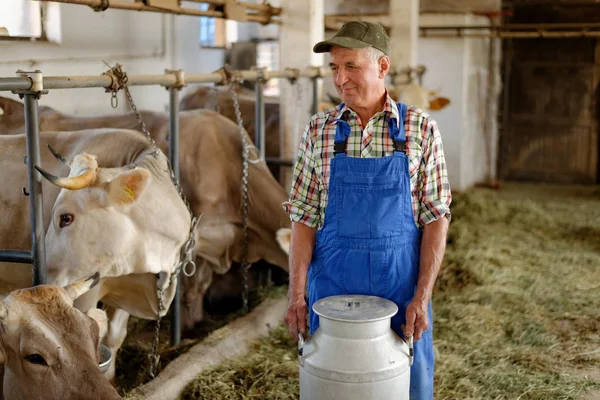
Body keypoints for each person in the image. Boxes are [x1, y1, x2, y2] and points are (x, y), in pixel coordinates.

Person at [282, 21, 452, 399]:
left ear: (382, 66)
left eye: (351, 66)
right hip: (331, 288)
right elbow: (304, 217)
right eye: (335, 68)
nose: (340, 79)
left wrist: (421, 299)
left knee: (406, 384)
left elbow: (436, 218)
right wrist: (295, 297)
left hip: (401, 288)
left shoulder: (420, 129)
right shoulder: (319, 131)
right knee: (334, 384)